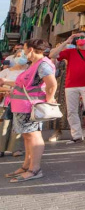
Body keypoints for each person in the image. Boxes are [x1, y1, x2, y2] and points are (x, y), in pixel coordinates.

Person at [4, 39, 58, 182]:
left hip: (30, 106)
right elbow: (24, 84)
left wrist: (49, 99)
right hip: (23, 105)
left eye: (25, 49)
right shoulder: (34, 64)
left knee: (33, 136)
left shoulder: (43, 64)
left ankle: (35, 169)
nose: (23, 52)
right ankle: (26, 166)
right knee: (28, 136)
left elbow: (52, 84)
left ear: (31, 50)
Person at [49, 32, 85, 144]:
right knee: (71, 111)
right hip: (70, 85)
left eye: (82, 37)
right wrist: (67, 41)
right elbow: (52, 55)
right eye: (77, 37)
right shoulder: (70, 51)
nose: (79, 39)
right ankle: (76, 136)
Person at [0, 51, 29, 157]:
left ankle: (16, 148)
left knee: (19, 125)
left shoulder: (29, 71)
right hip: (6, 101)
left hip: (23, 102)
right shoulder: (5, 71)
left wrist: (8, 84)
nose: (20, 58)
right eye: (18, 56)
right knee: (4, 125)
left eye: (23, 55)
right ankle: (1, 148)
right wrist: (6, 89)